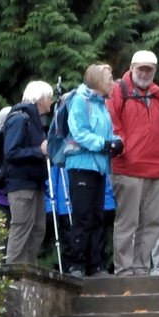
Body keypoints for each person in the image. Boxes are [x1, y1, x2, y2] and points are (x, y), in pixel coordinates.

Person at [106, 50, 159, 277]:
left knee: (152, 222)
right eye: (141, 68)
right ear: (132, 67)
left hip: (156, 167)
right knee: (128, 222)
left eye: (149, 69)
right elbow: (113, 123)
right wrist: (124, 148)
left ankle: (141, 268)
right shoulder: (117, 90)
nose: (144, 73)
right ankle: (124, 270)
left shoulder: (156, 93)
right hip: (128, 167)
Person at [59, 65, 121, 276]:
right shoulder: (80, 100)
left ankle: (96, 264)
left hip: (99, 166)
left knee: (97, 216)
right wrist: (104, 144)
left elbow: (108, 131)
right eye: (110, 78)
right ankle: (76, 264)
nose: (113, 83)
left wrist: (116, 142)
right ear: (98, 81)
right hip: (80, 165)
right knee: (83, 215)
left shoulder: (102, 104)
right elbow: (79, 132)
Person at [0, 81, 55, 266]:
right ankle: (14, 272)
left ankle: (29, 270)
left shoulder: (36, 121)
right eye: (49, 97)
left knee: (38, 228)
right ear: (40, 100)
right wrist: (38, 151)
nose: (51, 101)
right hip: (21, 183)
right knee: (21, 227)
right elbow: (11, 152)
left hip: (35, 182)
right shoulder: (20, 118)